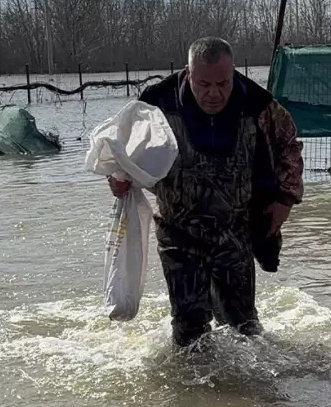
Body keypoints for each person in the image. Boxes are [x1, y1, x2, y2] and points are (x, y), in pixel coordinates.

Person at [107, 37, 304, 348]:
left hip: (234, 231)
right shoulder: (156, 103)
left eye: (223, 84)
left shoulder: (258, 104)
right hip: (177, 231)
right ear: (188, 73)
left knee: (243, 328)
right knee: (189, 331)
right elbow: (120, 150)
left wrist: (286, 199)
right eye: (204, 84)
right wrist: (117, 179)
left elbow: (288, 145)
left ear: (233, 72)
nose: (214, 93)